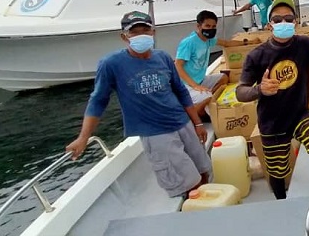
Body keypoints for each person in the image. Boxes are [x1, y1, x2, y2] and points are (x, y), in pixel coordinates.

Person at [66, 11, 211, 198]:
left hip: (183, 123)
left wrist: (197, 123)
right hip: (156, 133)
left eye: (145, 30)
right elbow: (98, 101)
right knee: (190, 185)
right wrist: (83, 137)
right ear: (124, 36)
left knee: (204, 170)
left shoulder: (163, 57)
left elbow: (180, 92)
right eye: (134, 32)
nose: (141, 34)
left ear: (153, 32)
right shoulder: (111, 64)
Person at [235, 0, 309, 199]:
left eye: (289, 19)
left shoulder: (305, 45)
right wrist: (259, 90)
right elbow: (240, 91)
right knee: (278, 173)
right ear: (269, 24)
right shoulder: (256, 56)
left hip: (300, 115)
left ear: (296, 22)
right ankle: (281, 202)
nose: (284, 23)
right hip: (272, 124)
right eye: (278, 19)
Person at [175, 10, 235, 118]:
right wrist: (196, 86)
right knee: (206, 97)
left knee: (224, 77)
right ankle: (195, 114)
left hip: (200, 80)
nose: (211, 29)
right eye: (207, 26)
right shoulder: (189, 42)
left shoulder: (208, 40)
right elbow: (177, 65)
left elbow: (226, 43)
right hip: (186, 84)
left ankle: (207, 99)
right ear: (198, 26)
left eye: (213, 26)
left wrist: (248, 42)